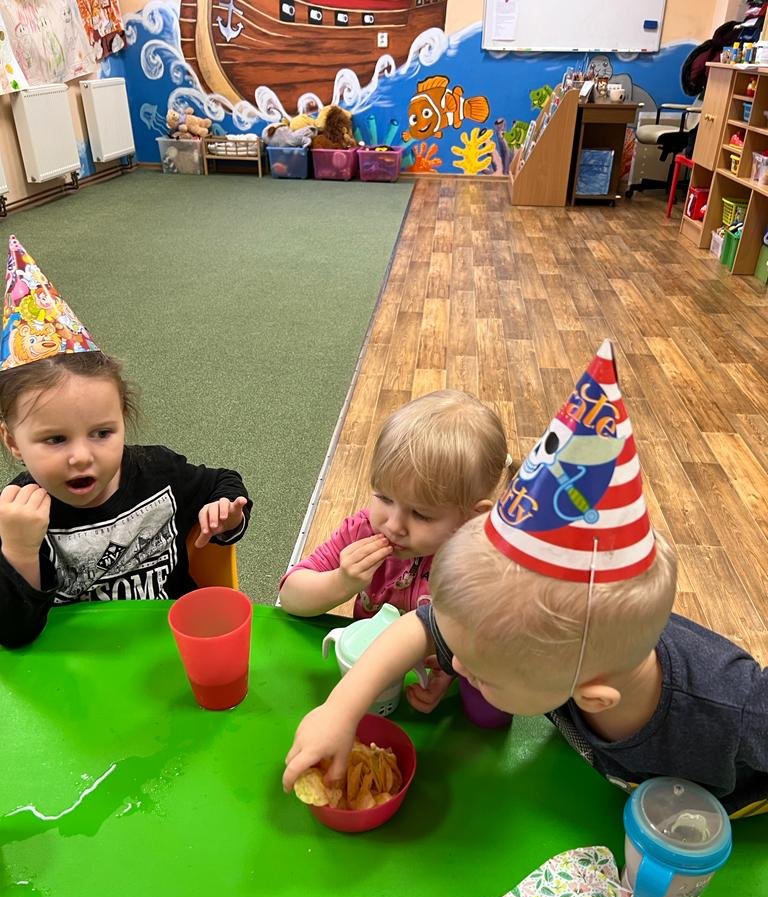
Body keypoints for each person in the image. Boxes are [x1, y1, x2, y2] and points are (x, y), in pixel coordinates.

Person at [283, 342, 768, 818]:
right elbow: (422, 627)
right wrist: (339, 711)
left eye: (481, 673)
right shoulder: (548, 654)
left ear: (591, 696)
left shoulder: (734, 711)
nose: (457, 663)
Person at [0, 236, 251, 649]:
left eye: (102, 433)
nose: (82, 457)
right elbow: (13, 635)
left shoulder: (158, 471)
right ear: (13, 442)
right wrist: (19, 550)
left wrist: (226, 516)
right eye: (55, 439)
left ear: (122, 419)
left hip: (168, 645)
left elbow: (223, 482)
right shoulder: (16, 515)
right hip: (74, 663)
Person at [279, 388, 514, 713]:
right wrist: (341, 582)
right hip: (365, 681)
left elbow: (491, 642)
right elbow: (290, 596)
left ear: (473, 516)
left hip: (426, 689)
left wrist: (450, 670)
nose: (393, 525)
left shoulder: (481, 561)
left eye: (421, 514)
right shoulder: (363, 530)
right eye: (384, 498)